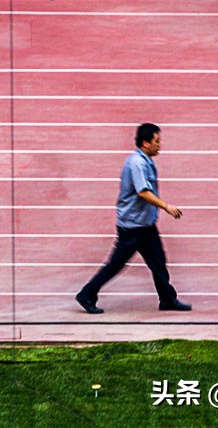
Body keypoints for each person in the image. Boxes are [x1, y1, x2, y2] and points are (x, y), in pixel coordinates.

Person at [75, 123, 191, 314]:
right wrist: (166, 206)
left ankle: (167, 299)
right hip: (133, 227)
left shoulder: (145, 161)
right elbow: (143, 192)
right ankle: (87, 294)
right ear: (146, 143)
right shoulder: (137, 164)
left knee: (158, 262)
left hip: (145, 225)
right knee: (116, 264)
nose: (160, 145)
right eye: (157, 141)